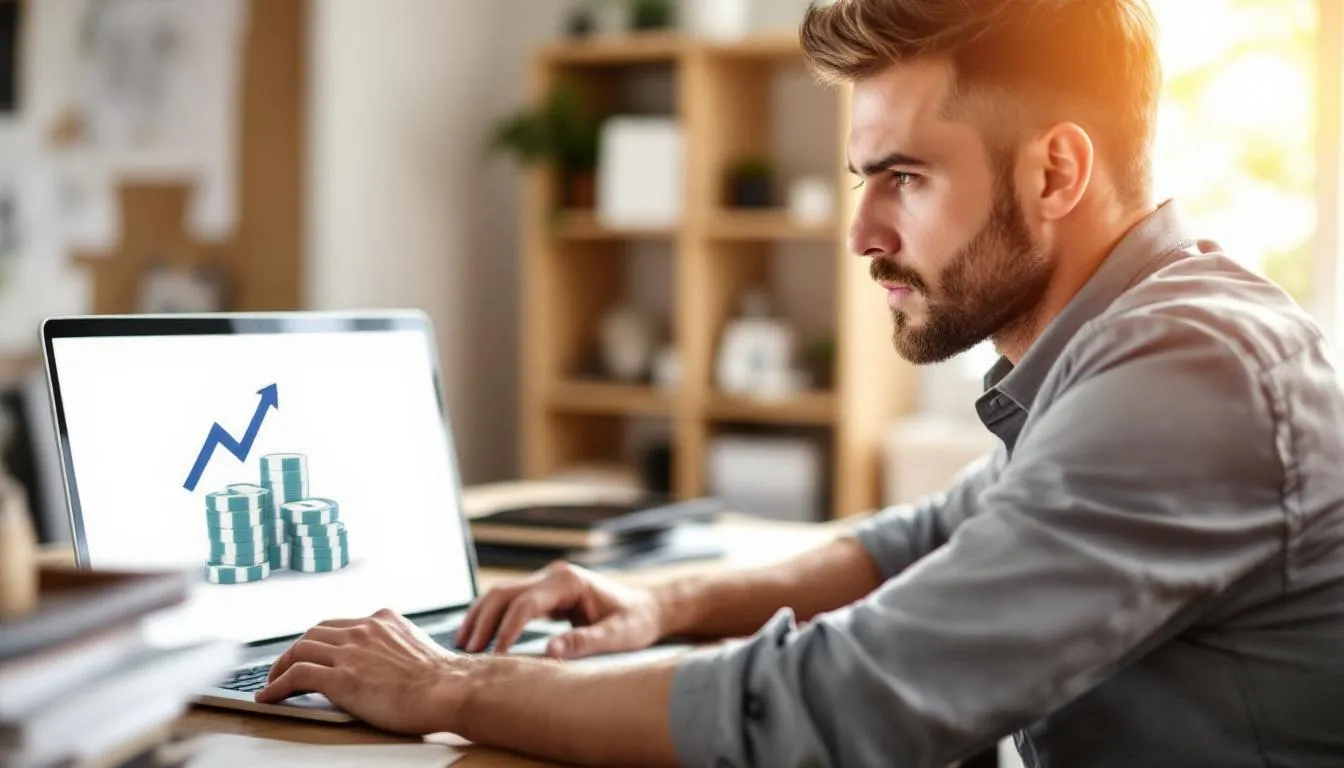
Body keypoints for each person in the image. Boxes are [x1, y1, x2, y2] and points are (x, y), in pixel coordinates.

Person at [257, 0, 1344, 765]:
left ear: (1055, 171)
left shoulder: (1195, 374)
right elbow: (930, 537)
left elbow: (846, 707)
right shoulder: (1121, 347)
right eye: (862, 179)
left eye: (905, 178)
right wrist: (660, 601)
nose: (864, 233)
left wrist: (446, 687)